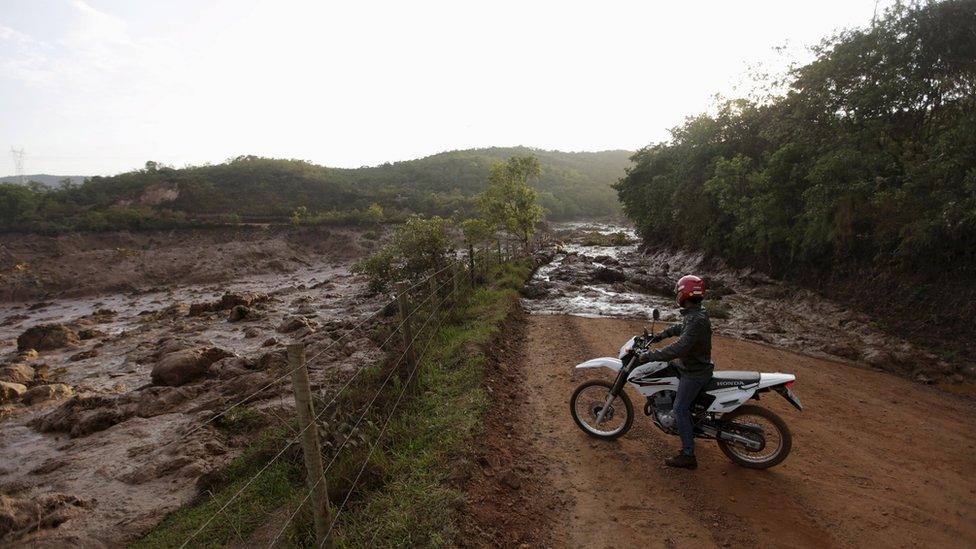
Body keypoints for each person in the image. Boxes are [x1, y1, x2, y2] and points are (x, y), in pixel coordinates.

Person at [639, 275, 713, 469]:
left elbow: (680, 348)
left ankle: (688, 456)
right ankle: (688, 425)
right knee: (669, 373)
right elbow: (681, 328)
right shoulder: (696, 313)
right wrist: (660, 336)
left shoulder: (696, 319)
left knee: (680, 408)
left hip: (695, 371)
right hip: (690, 366)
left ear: (683, 293)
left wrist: (651, 355)